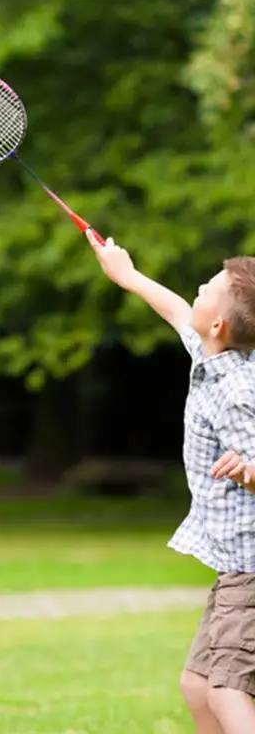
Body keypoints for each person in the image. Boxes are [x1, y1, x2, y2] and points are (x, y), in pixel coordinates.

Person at [87, 231, 255, 734]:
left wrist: (250, 471)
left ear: (220, 323)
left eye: (208, 288)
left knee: (228, 691)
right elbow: (178, 310)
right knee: (197, 686)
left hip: (251, 571)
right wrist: (127, 274)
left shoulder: (236, 390)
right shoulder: (212, 354)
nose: (199, 289)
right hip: (237, 569)